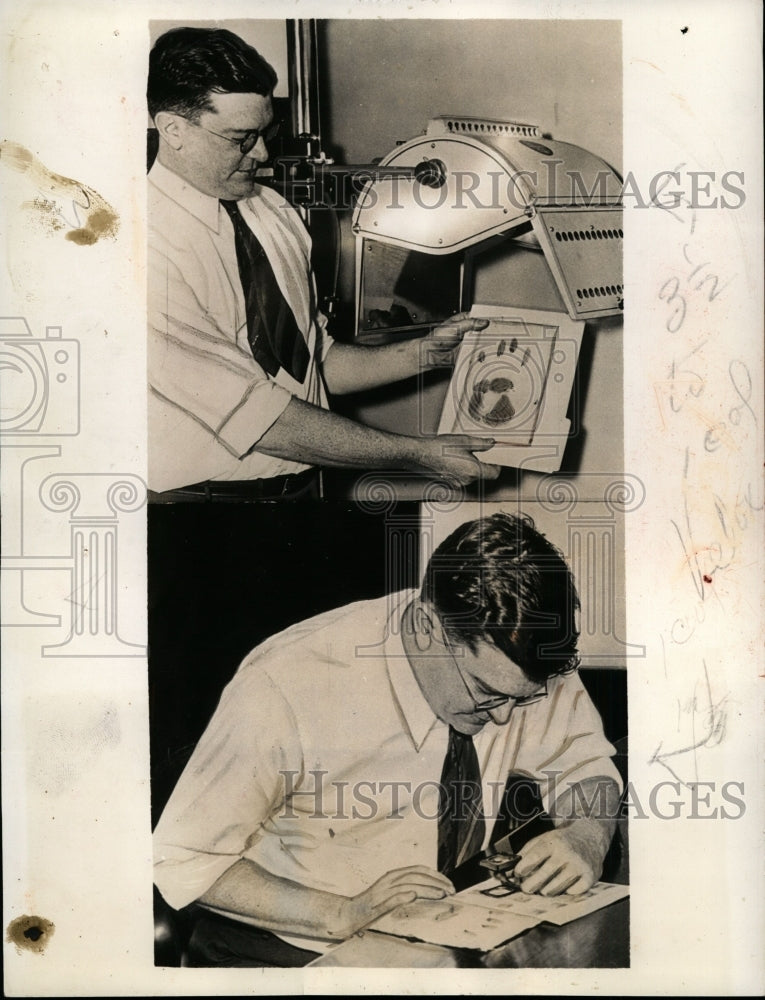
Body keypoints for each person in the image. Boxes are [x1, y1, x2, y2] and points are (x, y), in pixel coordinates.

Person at [153, 512, 622, 966]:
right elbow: (183, 857)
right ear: (426, 627)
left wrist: (587, 834)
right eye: (484, 692)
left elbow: (582, 762)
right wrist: (341, 912)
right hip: (286, 953)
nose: (504, 718)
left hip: (439, 937)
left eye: (520, 700)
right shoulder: (286, 686)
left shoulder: (518, 660)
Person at [147, 26, 499, 499]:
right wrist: (416, 453)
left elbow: (313, 361)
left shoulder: (273, 212)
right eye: (241, 138)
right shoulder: (138, 245)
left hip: (306, 489)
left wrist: (420, 355)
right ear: (173, 129)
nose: (263, 153)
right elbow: (258, 417)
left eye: (265, 132)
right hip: (202, 508)